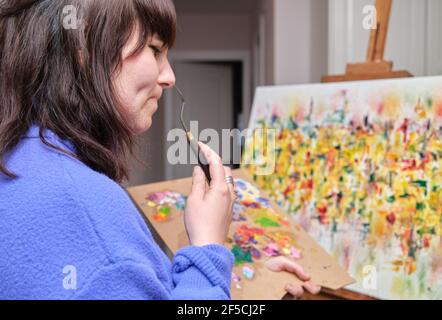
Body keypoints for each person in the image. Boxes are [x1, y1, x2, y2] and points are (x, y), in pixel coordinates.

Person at [0, 0, 320, 299]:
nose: (169, 77)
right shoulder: (85, 209)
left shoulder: (21, 159)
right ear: (82, 46)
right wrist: (208, 242)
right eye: (154, 49)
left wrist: (239, 285)